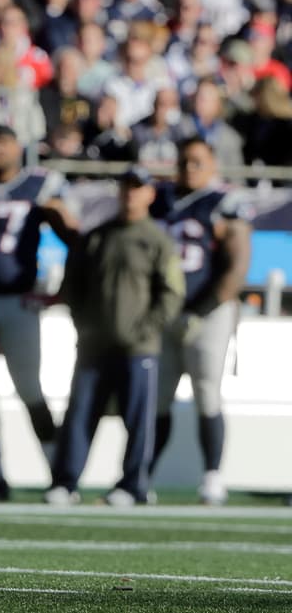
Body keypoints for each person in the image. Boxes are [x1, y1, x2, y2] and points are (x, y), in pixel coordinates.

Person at [46, 165, 186, 507]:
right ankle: (66, 482)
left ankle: (132, 484)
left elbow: (171, 293)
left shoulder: (157, 240)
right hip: (94, 346)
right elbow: (73, 283)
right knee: (79, 416)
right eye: (126, 187)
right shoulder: (98, 235)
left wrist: (144, 329)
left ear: (151, 194)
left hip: (138, 348)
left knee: (138, 420)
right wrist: (82, 323)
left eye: (138, 187)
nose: (130, 194)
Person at [0, 125, 76, 502]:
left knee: (30, 389)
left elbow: (72, 232)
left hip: (18, 300)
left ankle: (60, 476)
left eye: (6, 143)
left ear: (20, 148)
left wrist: (63, 289)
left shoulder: (39, 185)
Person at [149, 138, 251, 505]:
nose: (189, 168)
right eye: (184, 161)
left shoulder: (224, 202)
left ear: (212, 165)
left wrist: (203, 306)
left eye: (197, 162)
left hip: (208, 313)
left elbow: (238, 264)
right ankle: (143, 476)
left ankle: (212, 477)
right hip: (166, 313)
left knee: (207, 392)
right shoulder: (160, 198)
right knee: (157, 398)